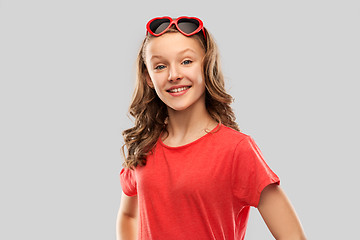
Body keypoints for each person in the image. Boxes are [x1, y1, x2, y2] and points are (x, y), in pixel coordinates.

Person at [116, 16, 306, 240]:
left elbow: (292, 235)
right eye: (160, 66)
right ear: (148, 77)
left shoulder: (236, 149)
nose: (174, 75)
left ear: (207, 65)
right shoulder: (144, 145)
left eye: (186, 61)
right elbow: (129, 215)